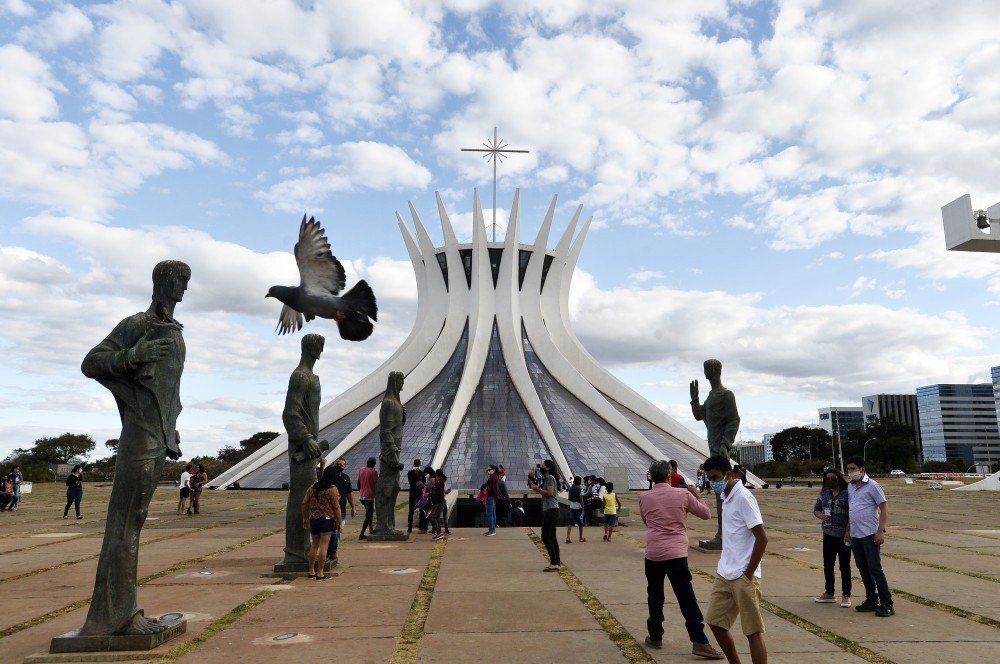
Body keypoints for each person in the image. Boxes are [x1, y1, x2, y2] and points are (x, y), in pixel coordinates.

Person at [639, 460, 724, 659]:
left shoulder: (644, 497)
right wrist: (697, 496)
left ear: (651, 476)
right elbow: (706, 515)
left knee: (655, 595)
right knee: (686, 597)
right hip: (676, 553)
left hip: (653, 553)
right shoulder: (683, 494)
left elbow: (646, 521)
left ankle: (655, 636)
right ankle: (699, 641)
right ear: (670, 476)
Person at [703, 455, 768, 664]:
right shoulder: (725, 496)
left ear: (728, 474)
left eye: (715, 477)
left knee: (752, 631)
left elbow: (762, 538)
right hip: (725, 572)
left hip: (743, 574)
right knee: (715, 622)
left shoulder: (743, 497)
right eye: (709, 478)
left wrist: (749, 573)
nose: (712, 482)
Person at [846, 456, 893, 617]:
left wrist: (880, 531)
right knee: (863, 569)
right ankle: (871, 600)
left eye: (853, 469)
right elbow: (851, 510)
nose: (851, 472)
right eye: (849, 469)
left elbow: (884, 509)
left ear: (862, 469)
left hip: (869, 534)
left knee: (875, 569)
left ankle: (887, 603)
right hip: (855, 534)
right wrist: (848, 531)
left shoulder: (873, 486)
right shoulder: (850, 487)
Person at [813, 467, 852, 608]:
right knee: (828, 565)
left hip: (843, 535)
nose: (830, 481)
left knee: (844, 566)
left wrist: (848, 531)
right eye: (827, 479)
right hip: (828, 533)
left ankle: (846, 595)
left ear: (839, 478)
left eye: (833, 478)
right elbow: (816, 509)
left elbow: (852, 513)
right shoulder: (824, 493)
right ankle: (829, 592)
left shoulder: (847, 493)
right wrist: (821, 516)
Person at [300, 464, 341, 580]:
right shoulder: (332, 489)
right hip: (327, 520)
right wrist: (339, 522)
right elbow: (337, 508)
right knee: (324, 546)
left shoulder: (313, 487)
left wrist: (305, 517)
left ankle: (311, 571)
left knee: (314, 545)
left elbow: (303, 503)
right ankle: (320, 573)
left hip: (314, 519)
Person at [531, 459, 560, 571]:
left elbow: (549, 493)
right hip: (552, 509)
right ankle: (556, 562)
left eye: (542, 466)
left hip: (551, 509)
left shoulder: (550, 478)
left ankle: (554, 563)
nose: (541, 467)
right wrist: (536, 487)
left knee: (545, 536)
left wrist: (537, 489)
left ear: (547, 468)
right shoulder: (547, 478)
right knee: (552, 537)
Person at [327, 458, 355, 562]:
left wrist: (353, 507)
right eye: (337, 464)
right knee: (330, 530)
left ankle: (332, 551)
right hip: (330, 510)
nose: (339, 466)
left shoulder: (346, 478)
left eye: (341, 465)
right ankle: (330, 551)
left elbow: (349, 493)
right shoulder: (329, 478)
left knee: (337, 530)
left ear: (344, 467)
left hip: (342, 510)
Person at [357, 456, 378, 540]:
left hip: (362, 496)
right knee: (368, 515)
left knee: (371, 511)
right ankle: (361, 534)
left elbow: (358, 482)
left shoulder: (361, 469)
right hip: (369, 496)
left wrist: (361, 491)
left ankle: (371, 528)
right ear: (374, 464)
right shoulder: (374, 471)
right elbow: (376, 483)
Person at [407, 459, 425, 534]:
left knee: (421, 510)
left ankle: (421, 526)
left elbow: (423, 482)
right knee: (411, 510)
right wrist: (416, 475)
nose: (418, 466)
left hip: (420, 494)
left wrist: (420, 483)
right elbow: (411, 482)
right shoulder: (410, 472)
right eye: (417, 464)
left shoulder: (422, 473)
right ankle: (410, 526)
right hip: (413, 494)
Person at [429, 469, 448, 541]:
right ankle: (438, 534)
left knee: (432, 516)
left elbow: (438, 493)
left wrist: (429, 494)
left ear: (437, 476)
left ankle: (439, 533)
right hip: (440, 502)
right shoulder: (440, 482)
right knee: (436, 517)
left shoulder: (439, 483)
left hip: (439, 502)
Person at [566, 476, 586, 543]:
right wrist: (583, 509)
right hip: (578, 507)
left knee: (570, 522)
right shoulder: (580, 489)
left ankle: (568, 537)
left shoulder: (571, 489)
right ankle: (580, 538)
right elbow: (581, 500)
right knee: (580, 523)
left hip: (572, 506)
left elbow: (569, 498)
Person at [485, 465, 499, 536]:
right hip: (493, 497)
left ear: (493, 470)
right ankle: (493, 530)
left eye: (489, 470)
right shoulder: (496, 476)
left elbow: (492, 488)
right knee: (493, 514)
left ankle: (491, 530)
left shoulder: (492, 477)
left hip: (490, 496)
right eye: (487, 470)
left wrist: (486, 489)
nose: (488, 471)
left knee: (490, 514)